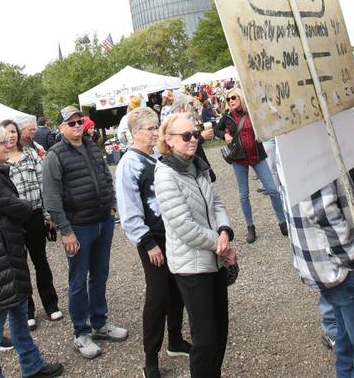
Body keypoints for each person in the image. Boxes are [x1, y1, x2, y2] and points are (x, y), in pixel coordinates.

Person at [0, 126, 64, 378]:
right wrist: (25, 206)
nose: (8, 145)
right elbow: (20, 209)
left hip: (6, 253)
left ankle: (31, 365)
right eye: (1, 143)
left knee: (19, 313)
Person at [154, 113, 236, 378]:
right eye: (186, 136)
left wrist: (224, 231)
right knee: (204, 338)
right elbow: (184, 226)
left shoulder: (198, 164)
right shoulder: (165, 174)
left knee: (220, 331)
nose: (193, 139)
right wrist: (220, 244)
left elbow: (218, 203)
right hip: (192, 266)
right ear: (169, 140)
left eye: (195, 133)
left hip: (215, 259)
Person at [42, 106, 127, 359]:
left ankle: (99, 323)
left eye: (79, 121)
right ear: (61, 128)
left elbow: (104, 177)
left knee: (99, 274)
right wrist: (65, 230)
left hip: (103, 221)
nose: (77, 126)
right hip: (78, 227)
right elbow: (52, 197)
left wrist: (111, 205)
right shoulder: (54, 156)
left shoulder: (91, 146)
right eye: (71, 123)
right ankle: (81, 332)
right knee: (78, 281)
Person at [284, 178, 354, 377]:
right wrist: (351, 258)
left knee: (349, 348)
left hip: (329, 262)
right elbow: (320, 207)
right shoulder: (309, 146)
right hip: (339, 264)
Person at [116, 108, 191, 378]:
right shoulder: (129, 164)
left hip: (172, 234)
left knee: (177, 288)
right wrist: (147, 242)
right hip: (152, 239)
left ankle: (175, 340)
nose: (154, 132)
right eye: (150, 128)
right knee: (158, 295)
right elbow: (128, 209)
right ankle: (150, 359)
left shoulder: (158, 156)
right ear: (135, 132)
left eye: (156, 126)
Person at [1, 120, 61, 329]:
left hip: (35, 215)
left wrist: (47, 215)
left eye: (13, 132)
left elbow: (43, 185)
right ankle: (28, 310)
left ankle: (51, 304)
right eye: (6, 132)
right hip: (13, 220)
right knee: (20, 266)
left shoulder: (31, 154)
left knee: (40, 260)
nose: (10, 136)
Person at [214, 88, 287, 243]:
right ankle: (250, 227)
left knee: (273, 190)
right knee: (243, 194)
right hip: (239, 159)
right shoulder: (226, 117)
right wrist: (225, 134)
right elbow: (216, 130)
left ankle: (282, 222)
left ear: (241, 97)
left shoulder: (253, 112)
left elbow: (269, 119)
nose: (231, 101)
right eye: (228, 99)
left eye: (233, 97)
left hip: (257, 156)